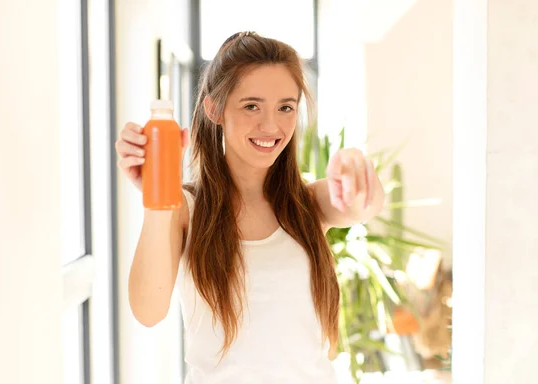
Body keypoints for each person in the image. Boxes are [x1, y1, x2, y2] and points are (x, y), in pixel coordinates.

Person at [115, 31, 385, 384]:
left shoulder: (309, 205)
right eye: (251, 106)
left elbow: (364, 205)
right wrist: (156, 195)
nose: (271, 126)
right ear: (215, 109)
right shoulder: (186, 209)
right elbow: (148, 311)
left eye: (285, 107)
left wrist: (356, 169)